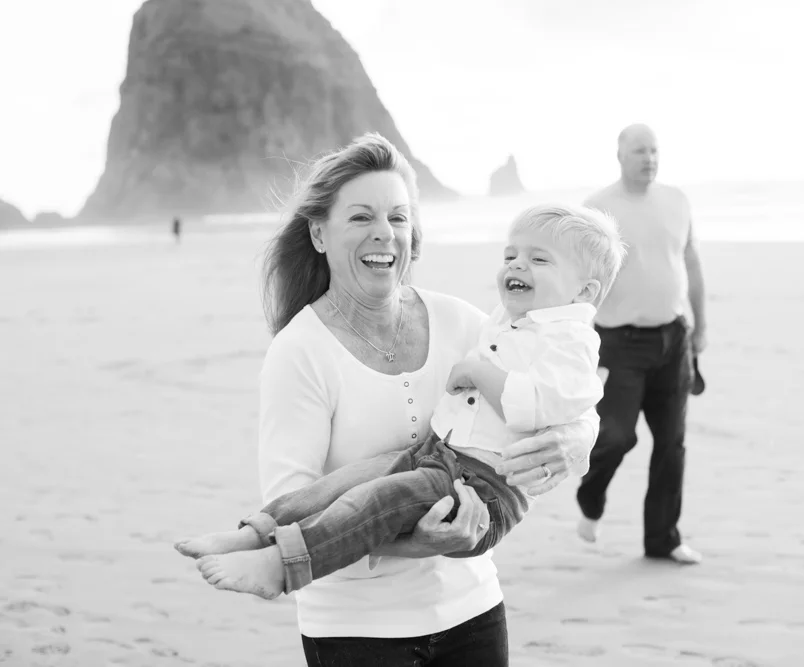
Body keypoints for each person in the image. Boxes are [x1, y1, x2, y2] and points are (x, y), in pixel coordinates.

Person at [176, 133, 599, 666]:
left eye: (398, 217)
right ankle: (257, 541)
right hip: (358, 631)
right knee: (356, 484)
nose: (384, 232)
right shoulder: (300, 351)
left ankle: (269, 549)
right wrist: (413, 544)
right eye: (361, 217)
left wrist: (578, 438)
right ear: (319, 234)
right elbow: (299, 494)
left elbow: (564, 389)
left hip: (471, 610)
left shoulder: (462, 322)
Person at [575, 124, 708, 564]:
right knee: (616, 436)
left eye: (653, 150)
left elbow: (690, 261)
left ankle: (663, 540)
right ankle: (591, 496)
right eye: (639, 151)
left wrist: (701, 326)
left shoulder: (677, 201)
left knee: (672, 444)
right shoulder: (597, 208)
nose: (649, 158)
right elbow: (580, 277)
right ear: (619, 155)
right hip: (619, 342)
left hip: (674, 337)